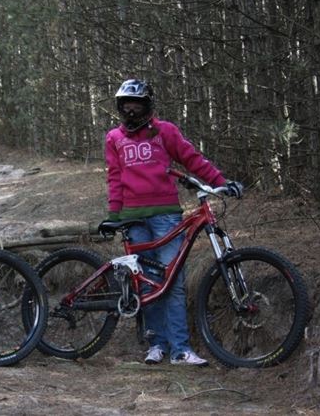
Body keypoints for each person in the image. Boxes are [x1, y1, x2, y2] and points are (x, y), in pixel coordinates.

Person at [104, 79, 242, 366]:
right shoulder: (114, 138)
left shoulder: (165, 131)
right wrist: (114, 216)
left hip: (166, 215)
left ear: (147, 106)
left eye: (137, 105)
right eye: (126, 106)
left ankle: (180, 349)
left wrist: (220, 181)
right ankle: (156, 345)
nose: (131, 112)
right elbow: (114, 177)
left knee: (173, 282)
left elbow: (192, 159)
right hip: (133, 218)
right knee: (148, 283)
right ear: (119, 108)